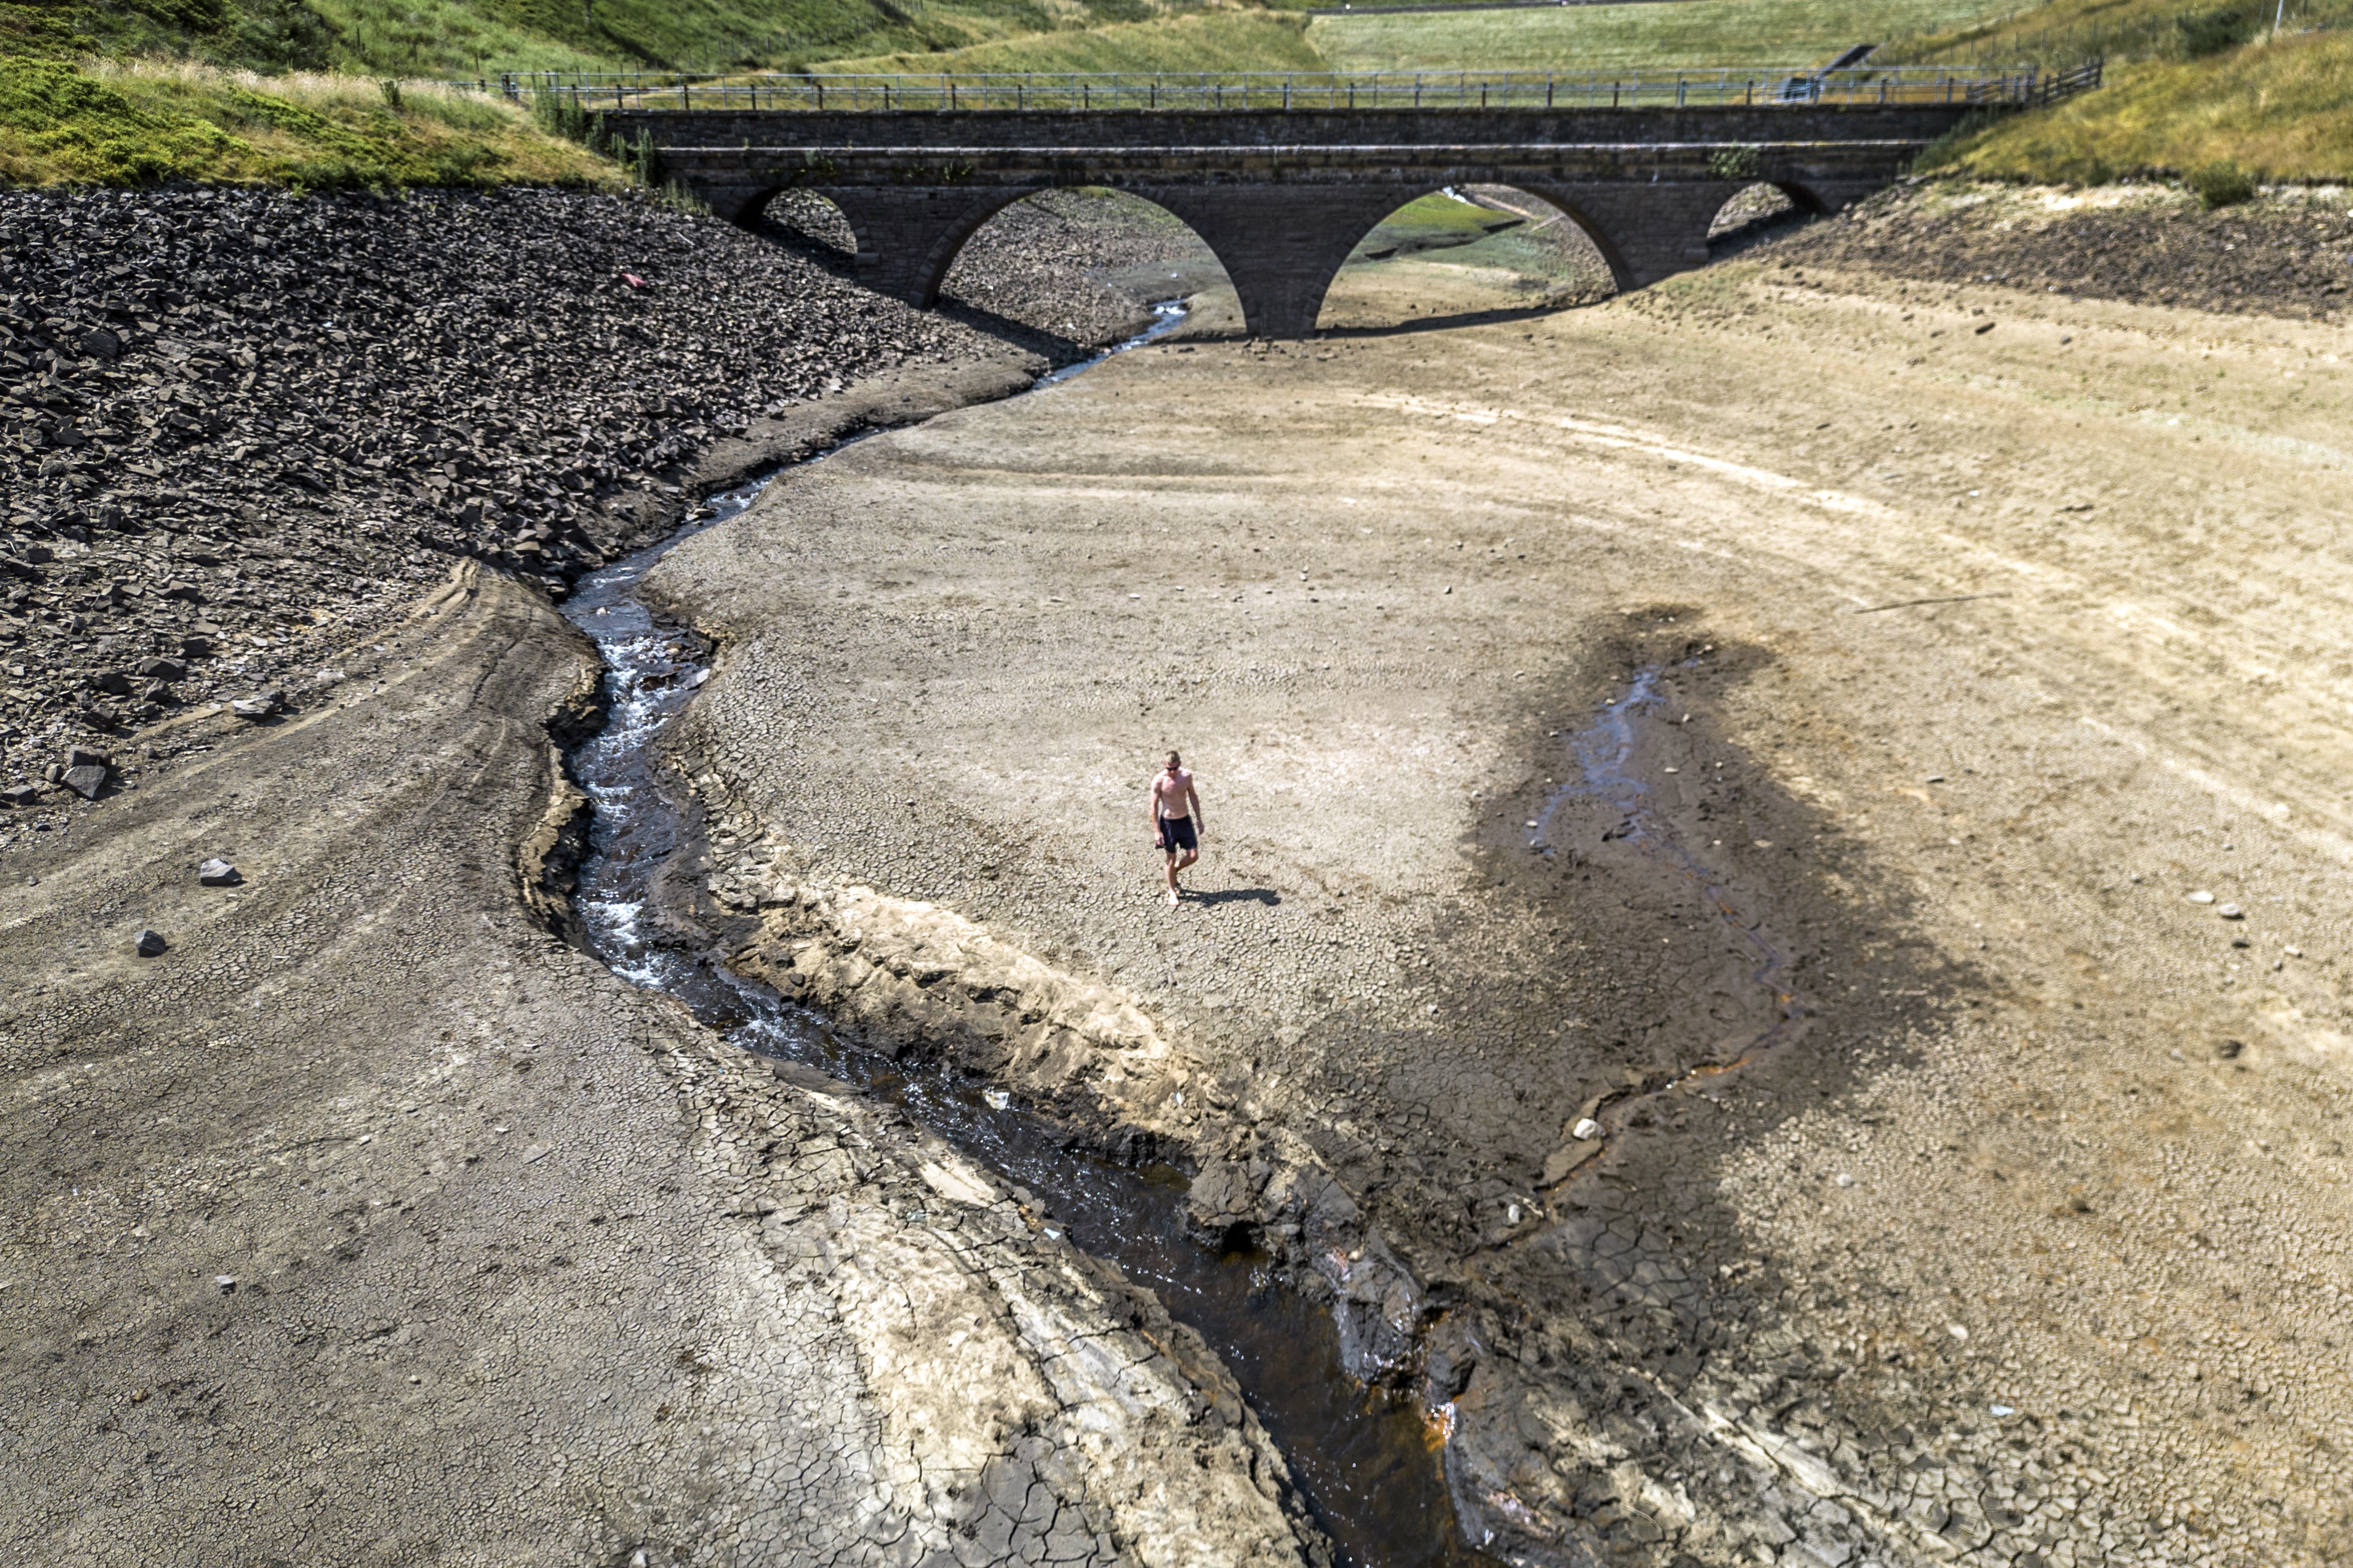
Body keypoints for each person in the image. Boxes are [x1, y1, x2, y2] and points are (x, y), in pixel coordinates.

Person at [1149, 751, 1203, 907]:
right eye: (1169, 769)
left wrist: (1199, 819)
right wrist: (1157, 831)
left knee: (1193, 856)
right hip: (1168, 824)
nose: (1172, 772)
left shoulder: (1186, 776)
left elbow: (1193, 795)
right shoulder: (1159, 781)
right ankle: (1172, 891)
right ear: (1165, 765)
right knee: (1171, 858)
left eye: (1175, 768)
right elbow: (1153, 806)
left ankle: (1174, 870)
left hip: (1185, 821)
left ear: (1180, 764)